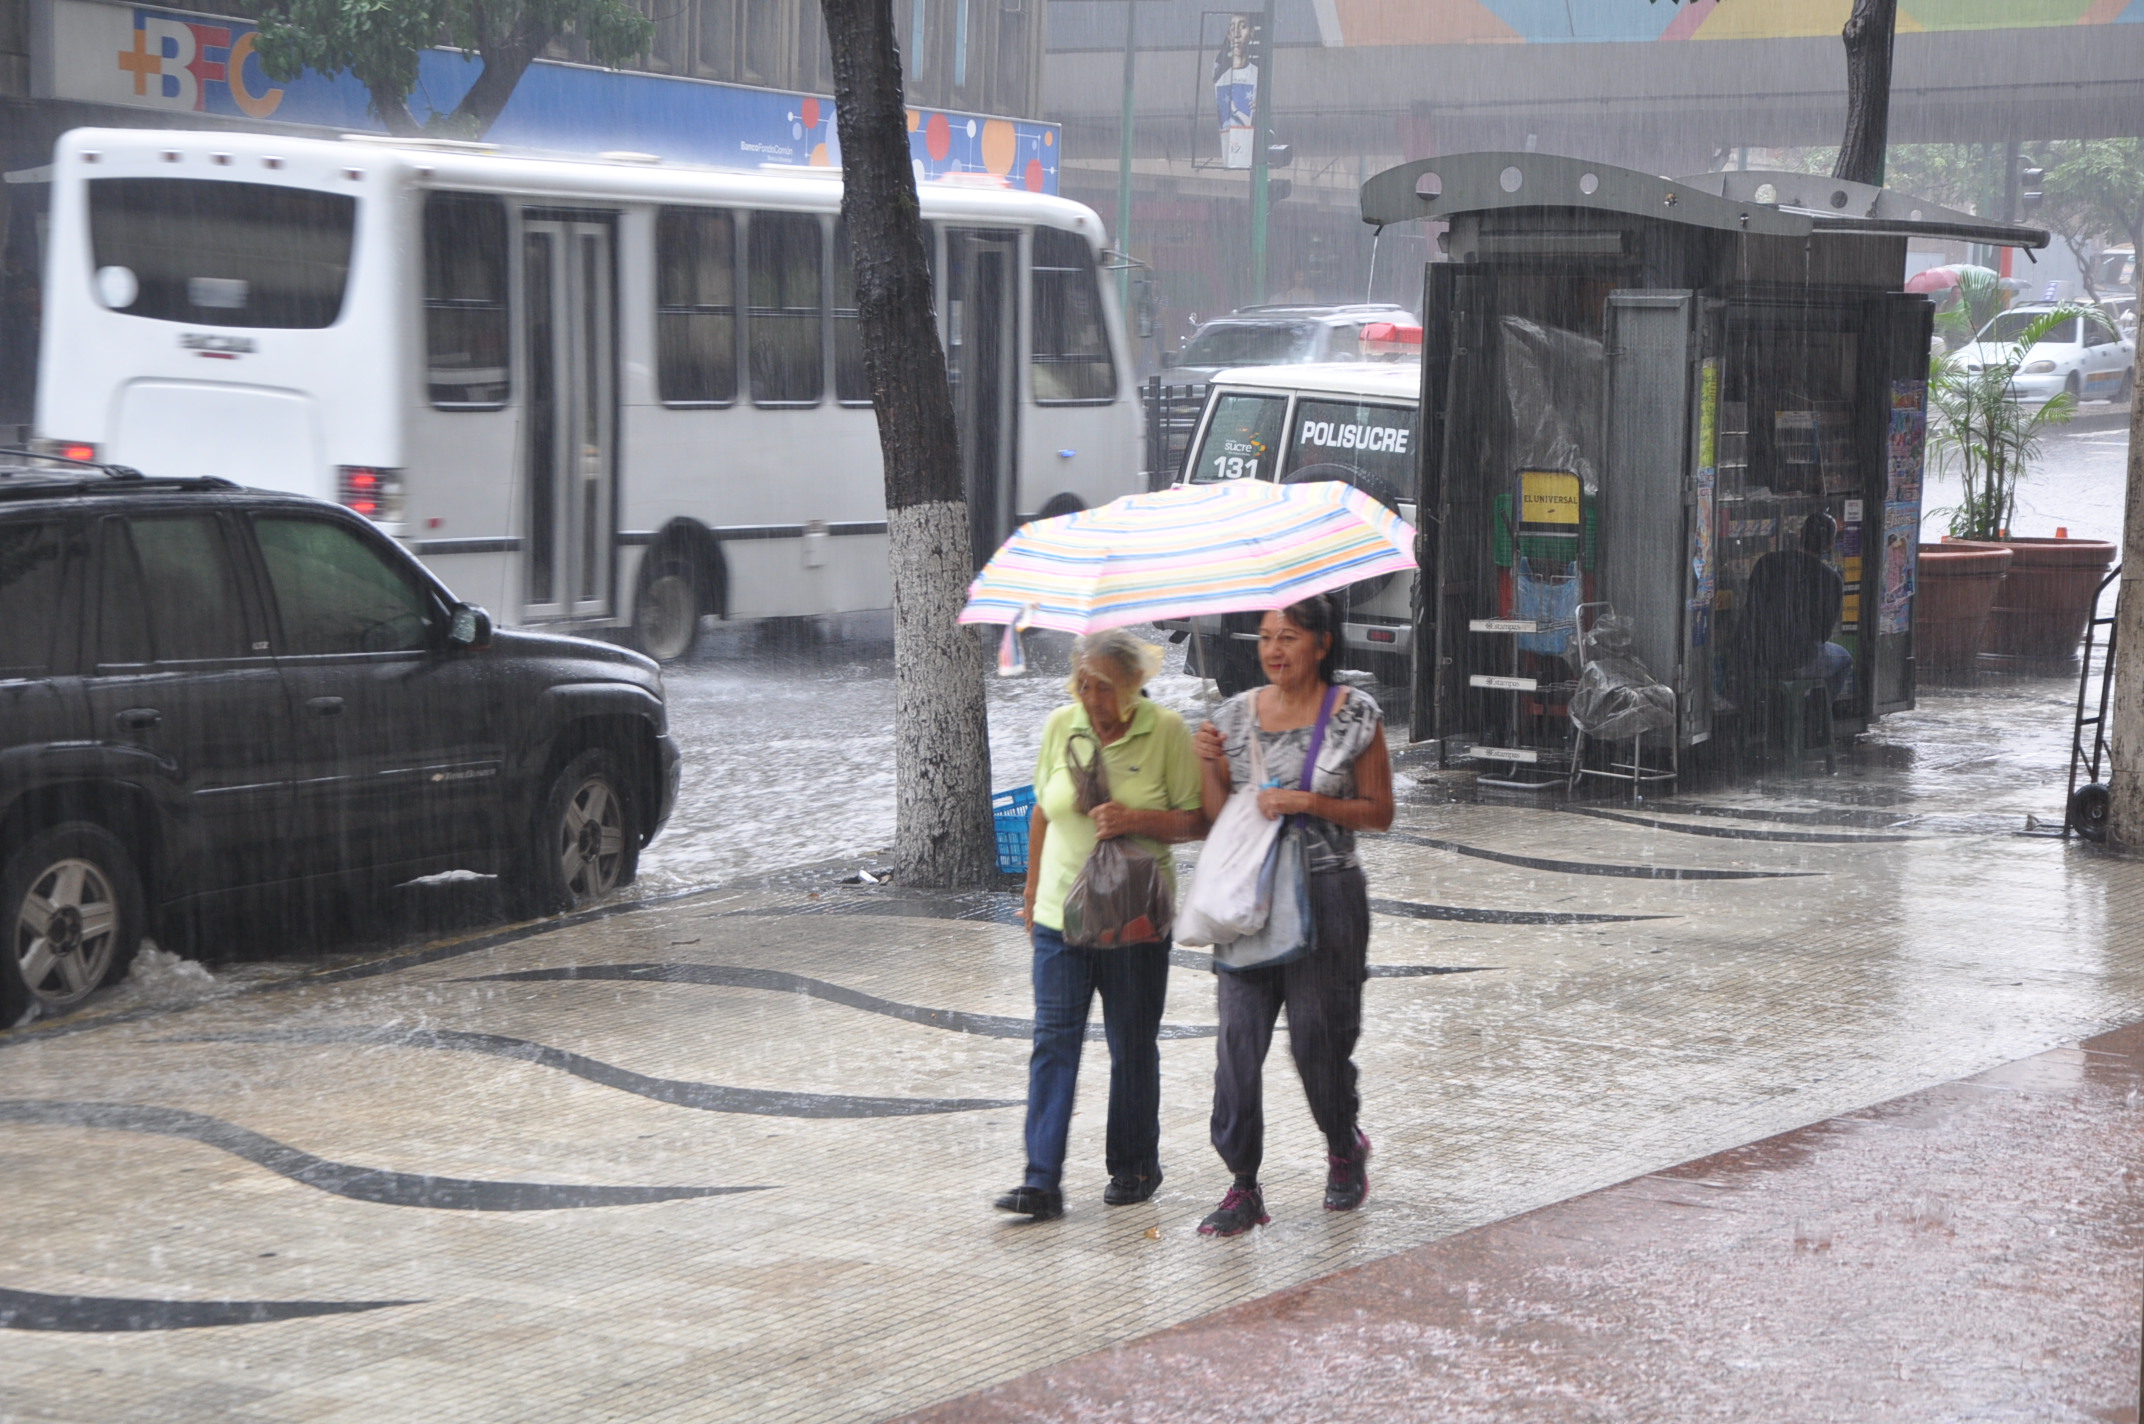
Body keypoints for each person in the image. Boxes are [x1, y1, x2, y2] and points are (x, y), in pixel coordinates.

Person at [1190, 594, 1395, 1237]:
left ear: (1323, 643)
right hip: (1249, 900)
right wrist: (1207, 765)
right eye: (1266, 637)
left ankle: (1343, 1145)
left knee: (1318, 1043)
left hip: (1329, 898)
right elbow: (1213, 821)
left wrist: (1308, 800)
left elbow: (1379, 812)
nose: (1275, 650)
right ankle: (1243, 1185)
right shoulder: (1232, 715)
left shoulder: (1355, 715)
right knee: (1236, 1045)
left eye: (1289, 637)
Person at [995, 630, 1207, 1223]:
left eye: (1104, 687)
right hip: (1060, 918)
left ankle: (1134, 1165)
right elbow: (1042, 810)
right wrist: (1033, 891)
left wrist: (1135, 818)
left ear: (1134, 685)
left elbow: (1198, 820)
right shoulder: (1062, 724)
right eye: (1083, 685)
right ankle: (1041, 1180)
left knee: (1131, 1046)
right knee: (1052, 1044)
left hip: (1135, 918)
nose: (1092, 698)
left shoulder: (1165, 731)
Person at [1735, 510, 1852, 704]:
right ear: (1830, 545)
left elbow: (1752, 609)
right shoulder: (1831, 579)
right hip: (1799, 659)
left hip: (1756, 655)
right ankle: (1816, 715)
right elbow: (1823, 635)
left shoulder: (1767, 562)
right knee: (1845, 660)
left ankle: (1762, 711)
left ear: (1800, 534)